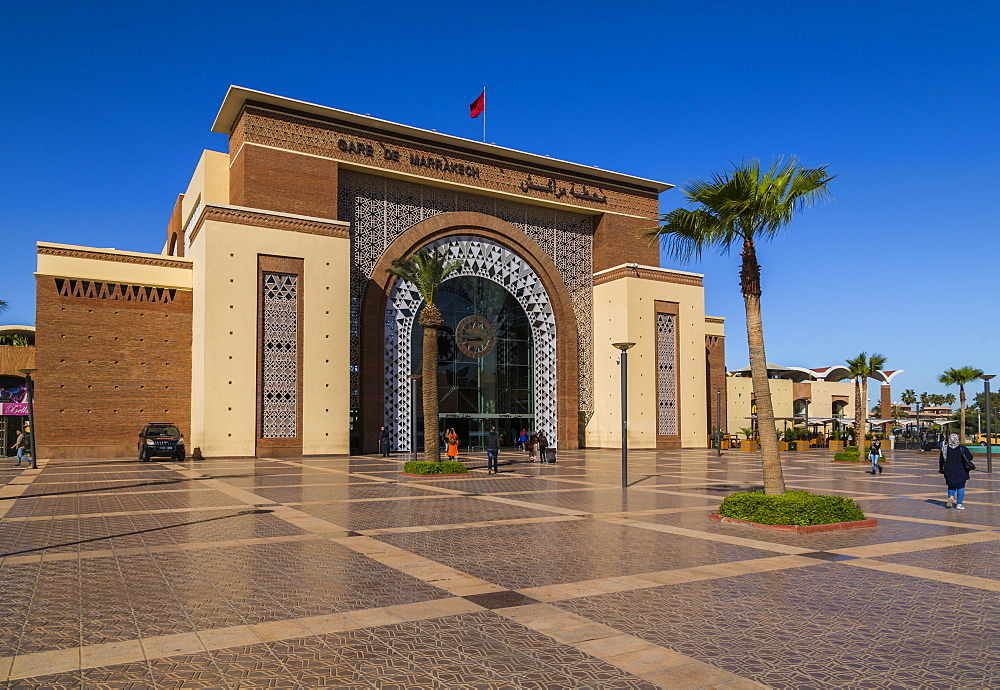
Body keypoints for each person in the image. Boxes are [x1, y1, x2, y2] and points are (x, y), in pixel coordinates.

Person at [939, 433, 975, 510]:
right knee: (960, 486)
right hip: (961, 470)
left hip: (948, 470)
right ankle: (959, 504)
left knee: (951, 485)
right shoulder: (962, 448)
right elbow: (970, 457)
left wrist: (941, 469)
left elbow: (941, 460)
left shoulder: (944, 448)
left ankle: (951, 497)